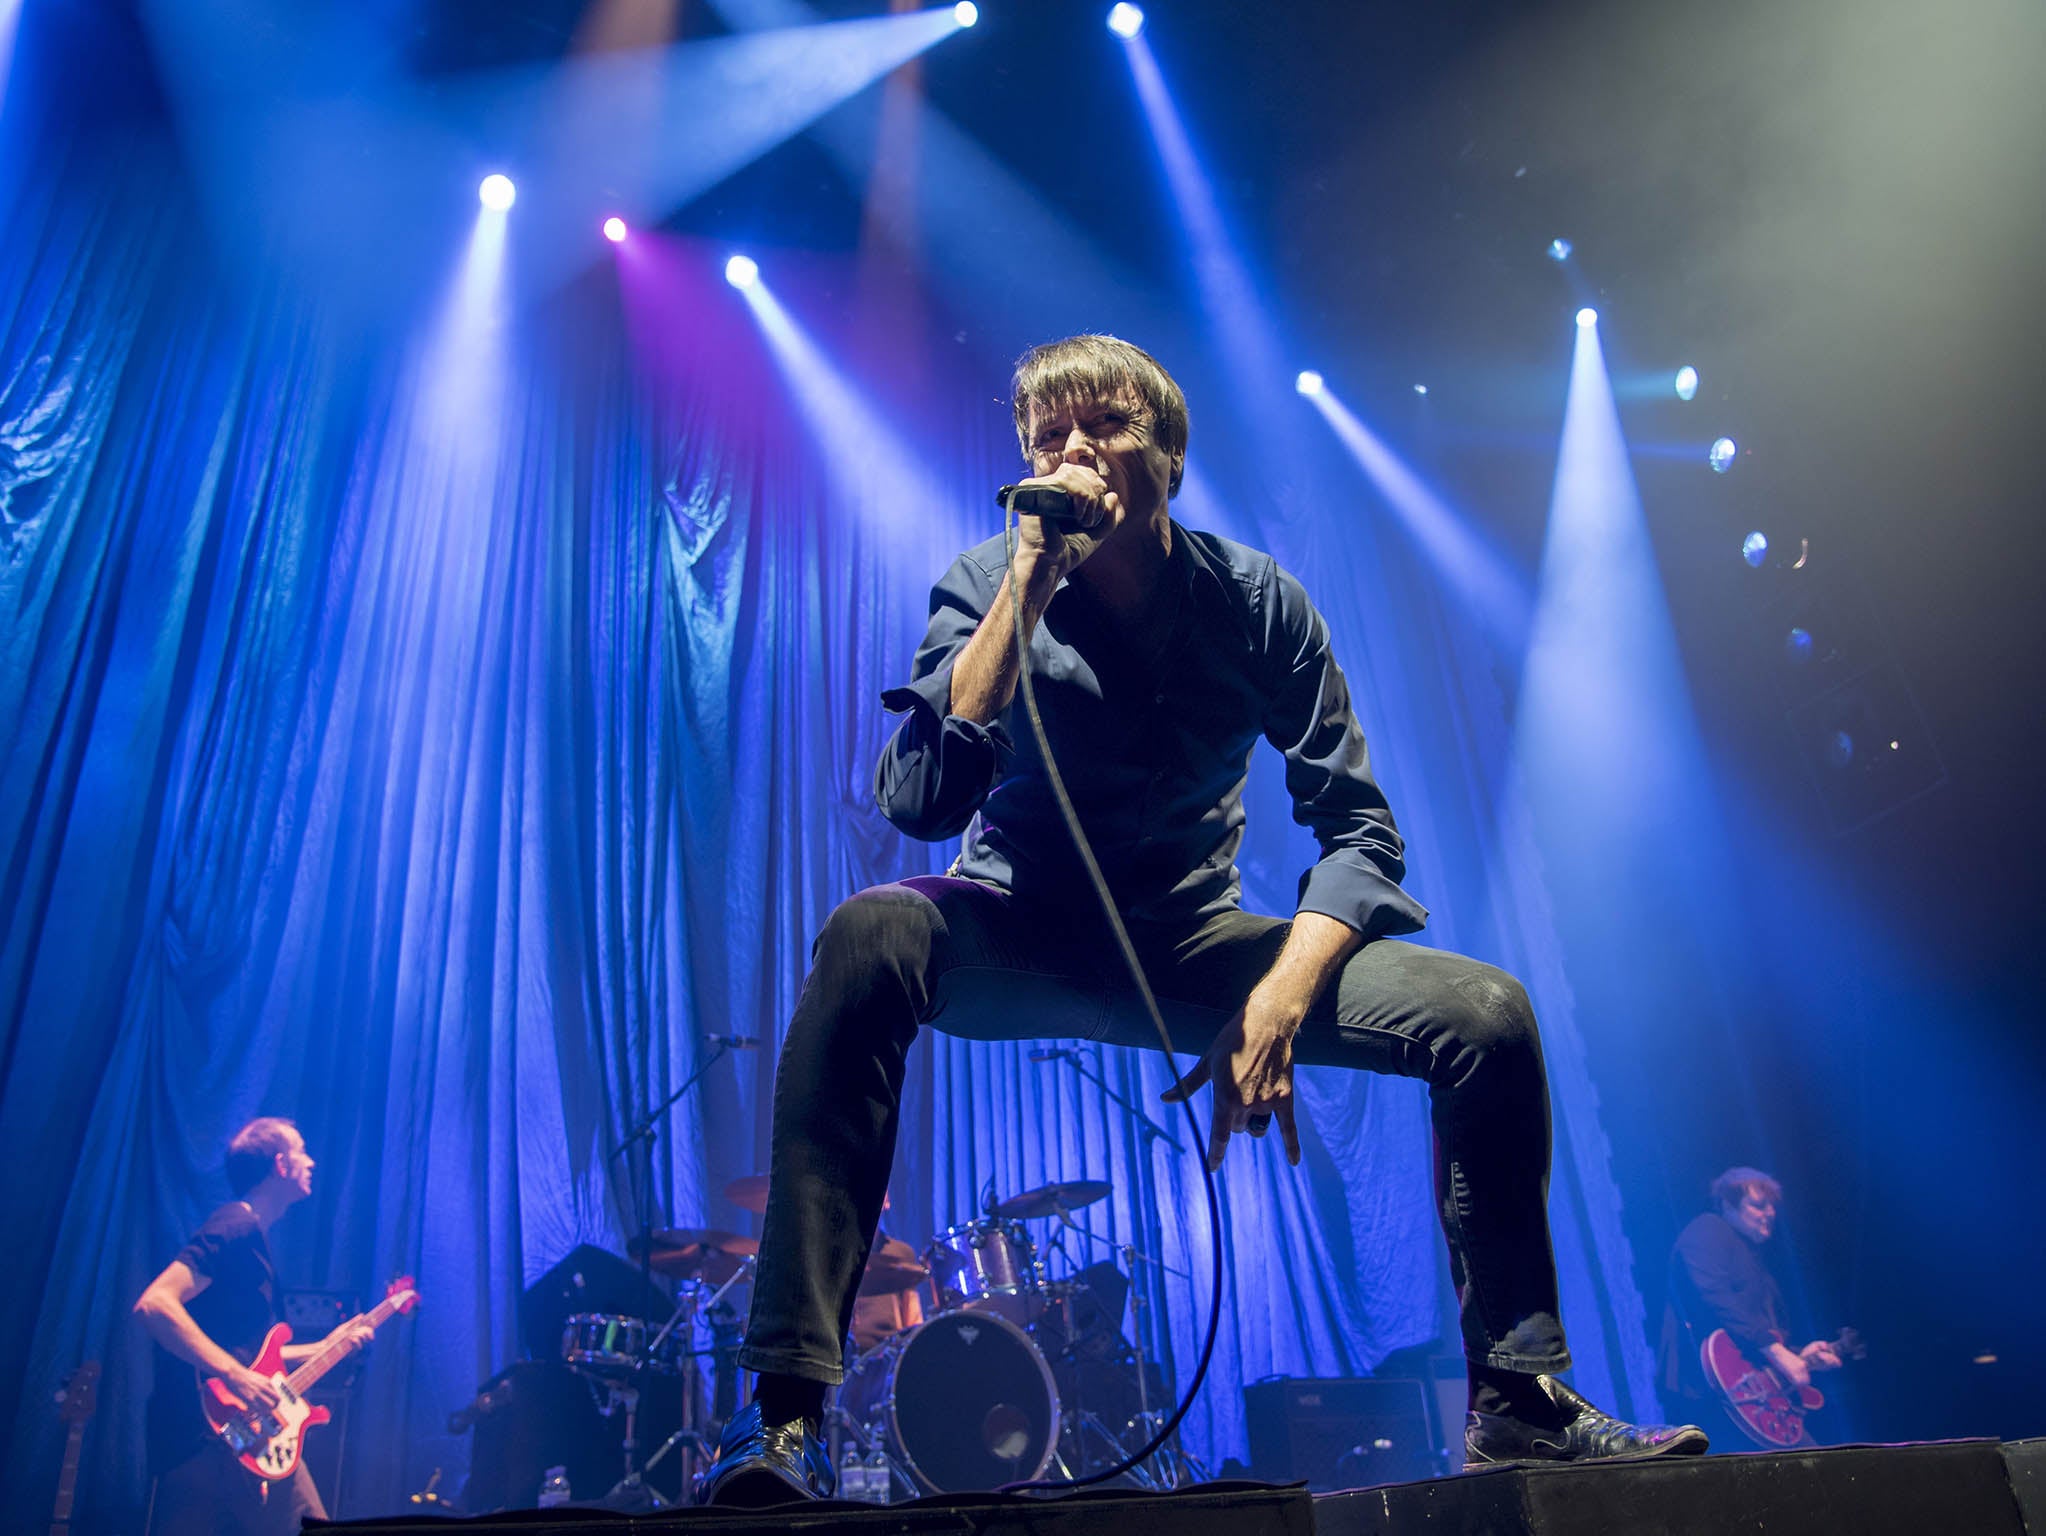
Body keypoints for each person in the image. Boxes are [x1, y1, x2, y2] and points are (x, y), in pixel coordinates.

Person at [697, 335, 1707, 1505]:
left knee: (1485, 1015)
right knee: (871, 933)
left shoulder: (1255, 602)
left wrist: (1280, 995)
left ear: (1168, 453)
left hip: (1192, 941)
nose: (1076, 451)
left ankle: (1519, 1401)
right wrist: (1029, 581)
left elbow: (1360, 833)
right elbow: (920, 804)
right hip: (1013, 924)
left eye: (1107, 426)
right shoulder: (987, 581)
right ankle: (784, 1420)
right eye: (1049, 436)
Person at [135, 1118, 373, 1534]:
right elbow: (155, 1304)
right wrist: (235, 1376)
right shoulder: (235, 1226)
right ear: (280, 1165)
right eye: (302, 1151)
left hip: (235, 1438)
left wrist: (329, 1345)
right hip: (209, 1436)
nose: (312, 1161)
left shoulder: (252, 1237)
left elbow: (255, 1358)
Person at [1659, 1166, 1842, 1449]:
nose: (1769, 1213)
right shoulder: (1709, 1228)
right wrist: (1777, 1351)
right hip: (1710, 1389)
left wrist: (1800, 1355)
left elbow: (1750, 1334)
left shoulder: (1758, 1265)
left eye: (1772, 1206)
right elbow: (1713, 1295)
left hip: (1752, 1394)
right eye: (1758, 1205)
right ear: (1727, 1206)